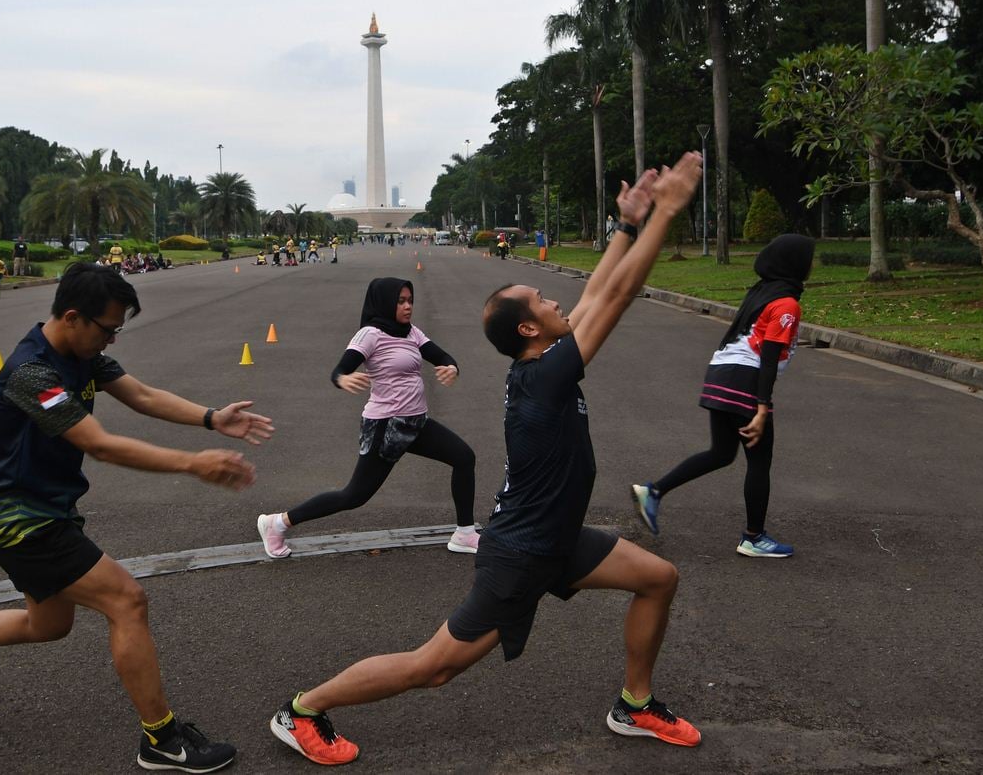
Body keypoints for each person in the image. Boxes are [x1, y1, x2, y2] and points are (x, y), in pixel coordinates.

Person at [266, 153, 704, 766]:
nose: (560, 304)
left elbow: (602, 289)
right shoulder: (548, 376)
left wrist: (627, 226)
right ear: (529, 330)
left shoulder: (540, 363)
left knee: (658, 579)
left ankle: (635, 704)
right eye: (545, 300)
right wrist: (669, 212)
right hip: (522, 551)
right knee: (434, 668)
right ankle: (303, 709)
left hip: (556, 539)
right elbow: (622, 293)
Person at [0, 262, 274, 773]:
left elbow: (140, 395)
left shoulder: (83, 354)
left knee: (47, 625)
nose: (112, 340)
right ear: (73, 317)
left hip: (47, 513)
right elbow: (100, 445)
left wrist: (210, 418)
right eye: (108, 328)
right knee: (127, 600)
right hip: (21, 522)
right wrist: (192, 463)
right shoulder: (33, 373)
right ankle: (161, 740)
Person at [257, 277, 478, 560]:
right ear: (385, 302)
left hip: (415, 423)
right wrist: (343, 379)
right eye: (401, 301)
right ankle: (277, 523)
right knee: (354, 496)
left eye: (410, 300)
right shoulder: (371, 334)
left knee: (463, 457)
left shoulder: (411, 333)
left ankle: (464, 532)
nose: (408, 306)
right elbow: (340, 369)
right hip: (385, 427)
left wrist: (451, 367)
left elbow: (441, 355)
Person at [631, 233, 814, 558]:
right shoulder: (787, 303)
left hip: (720, 372)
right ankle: (753, 538)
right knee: (760, 461)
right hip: (745, 379)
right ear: (796, 265)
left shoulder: (761, 292)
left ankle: (654, 491)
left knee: (721, 453)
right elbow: (769, 356)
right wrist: (761, 408)